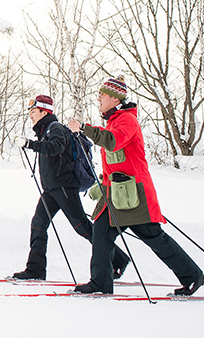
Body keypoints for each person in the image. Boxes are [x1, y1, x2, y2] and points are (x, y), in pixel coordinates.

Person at [68, 76, 204, 295]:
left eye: (102, 95)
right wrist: (102, 184)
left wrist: (85, 128)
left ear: (114, 98)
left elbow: (112, 141)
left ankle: (192, 277)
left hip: (134, 196)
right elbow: (117, 162)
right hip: (116, 195)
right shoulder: (114, 121)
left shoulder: (127, 121)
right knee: (101, 233)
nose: (98, 99)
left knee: (153, 236)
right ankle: (100, 284)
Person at [11, 94, 130, 281]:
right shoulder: (45, 131)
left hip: (65, 187)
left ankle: (119, 259)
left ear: (44, 111)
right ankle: (35, 270)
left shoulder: (55, 128)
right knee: (38, 225)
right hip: (52, 189)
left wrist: (29, 144)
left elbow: (56, 148)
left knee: (82, 227)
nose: (31, 116)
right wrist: (33, 143)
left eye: (33, 112)